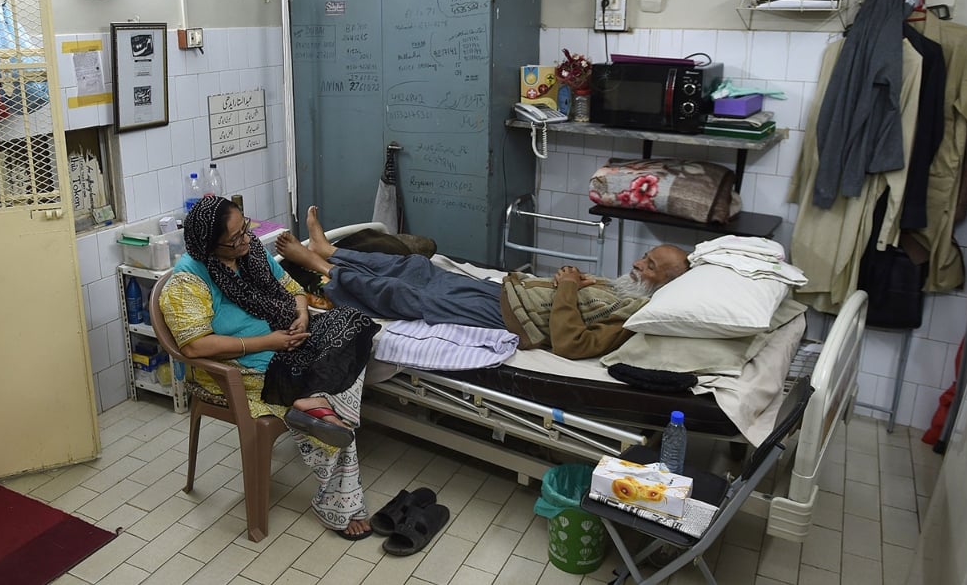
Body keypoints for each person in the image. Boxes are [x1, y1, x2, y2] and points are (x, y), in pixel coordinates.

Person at [159, 196, 379, 540]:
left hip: (288, 346)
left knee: (355, 323)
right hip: (247, 370)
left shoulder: (253, 256)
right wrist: (269, 342)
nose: (245, 240)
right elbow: (194, 345)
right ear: (209, 246)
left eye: (245, 228)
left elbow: (295, 292)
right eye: (234, 239)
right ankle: (339, 504)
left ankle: (313, 402)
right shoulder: (188, 282)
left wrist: (301, 316)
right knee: (335, 393)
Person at [275, 206, 690, 359]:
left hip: (512, 319)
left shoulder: (629, 316)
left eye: (650, 265)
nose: (638, 263)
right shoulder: (620, 292)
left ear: (664, 285)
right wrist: (576, 282)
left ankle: (322, 267)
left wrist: (566, 287)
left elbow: (572, 344)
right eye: (645, 257)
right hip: (510, 293)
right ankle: (331, 252)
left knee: (409, 294)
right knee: (419, 269)